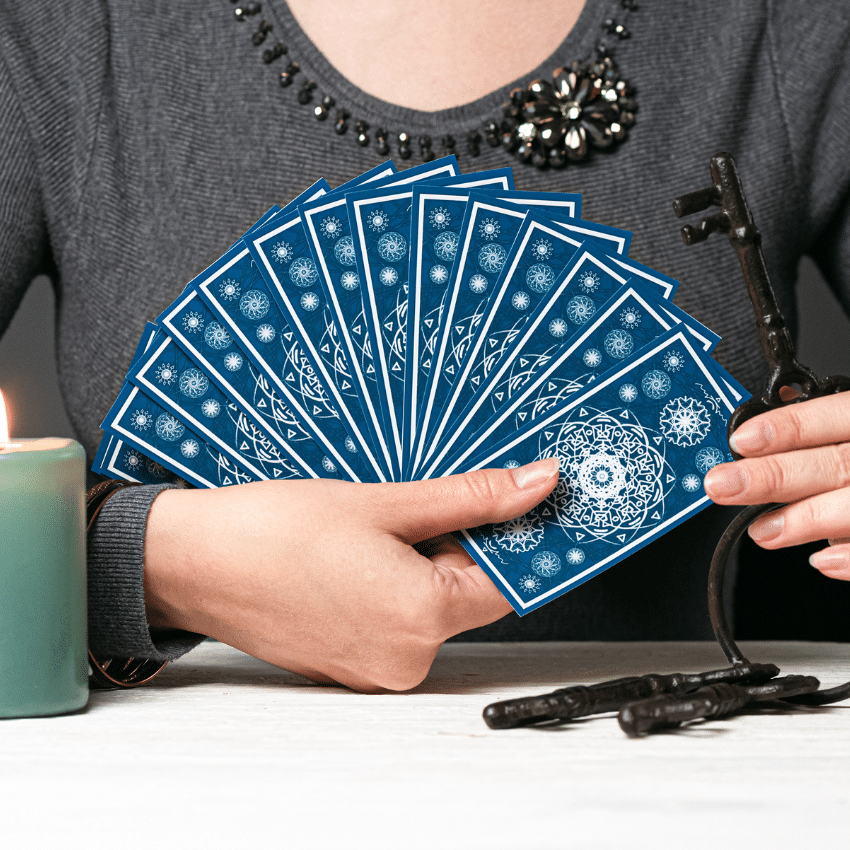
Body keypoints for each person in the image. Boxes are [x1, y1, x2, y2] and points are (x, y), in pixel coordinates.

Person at [1, 0, 848, 691]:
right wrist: (153, 564)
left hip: (658, 778)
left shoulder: (790, 25)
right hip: (175, 794)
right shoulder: (55, 29)